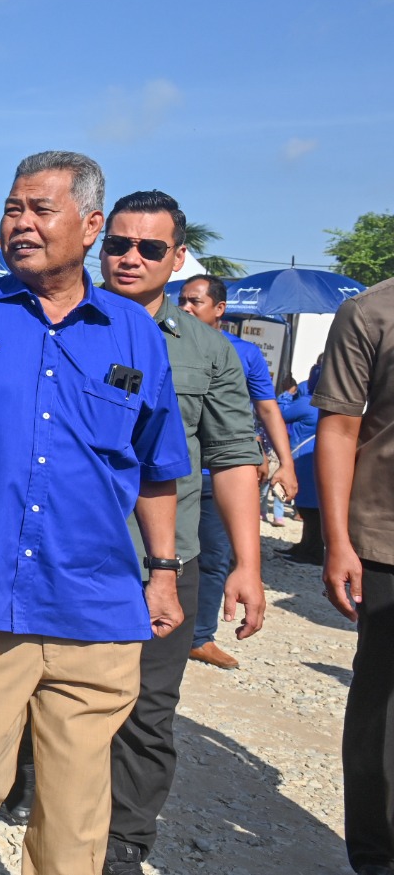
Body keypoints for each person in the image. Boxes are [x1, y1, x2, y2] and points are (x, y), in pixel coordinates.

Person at [0, 151, 189, 875]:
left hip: (96, 602)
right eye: (12, 208)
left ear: (89, 225)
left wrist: (165, 571)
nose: (20, 223)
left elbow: (154, 466)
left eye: (39, 209)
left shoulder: (134, 334)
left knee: (77, 801)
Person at [96, 190, 266, 875]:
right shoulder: (60, 323)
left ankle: (124, 842)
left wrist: (247, 564)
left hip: (165, 563)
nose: (130, 258)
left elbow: (231, 457)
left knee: (146, 713)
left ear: (178, 256)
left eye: (149, 248)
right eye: (118, 244)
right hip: (69, 555)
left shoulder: (207, 351)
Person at [312, 277, 394, 875]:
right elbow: (340, 427)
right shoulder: (371, 312)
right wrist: (338, 541)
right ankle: (376, 856)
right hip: (387, 540)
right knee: (382, 715)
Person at [178, 273, 299, 670]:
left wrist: (286, 462)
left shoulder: (244, 354)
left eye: (195, 301)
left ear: (219, 308)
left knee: (213, 559)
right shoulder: (162, 340)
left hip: (221, 476)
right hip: (174, 477)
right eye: (182, 300)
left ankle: (199, 637)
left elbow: (266, 408)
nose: (186, 308)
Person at [278, 361, 324, 565]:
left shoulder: (308, 403)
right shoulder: (322, 404)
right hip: (315, 461)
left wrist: (287, 394)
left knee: (309, 510)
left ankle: (312, 551)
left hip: (304, 463)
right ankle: (306, 546)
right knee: (311, 510)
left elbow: (278, 413)